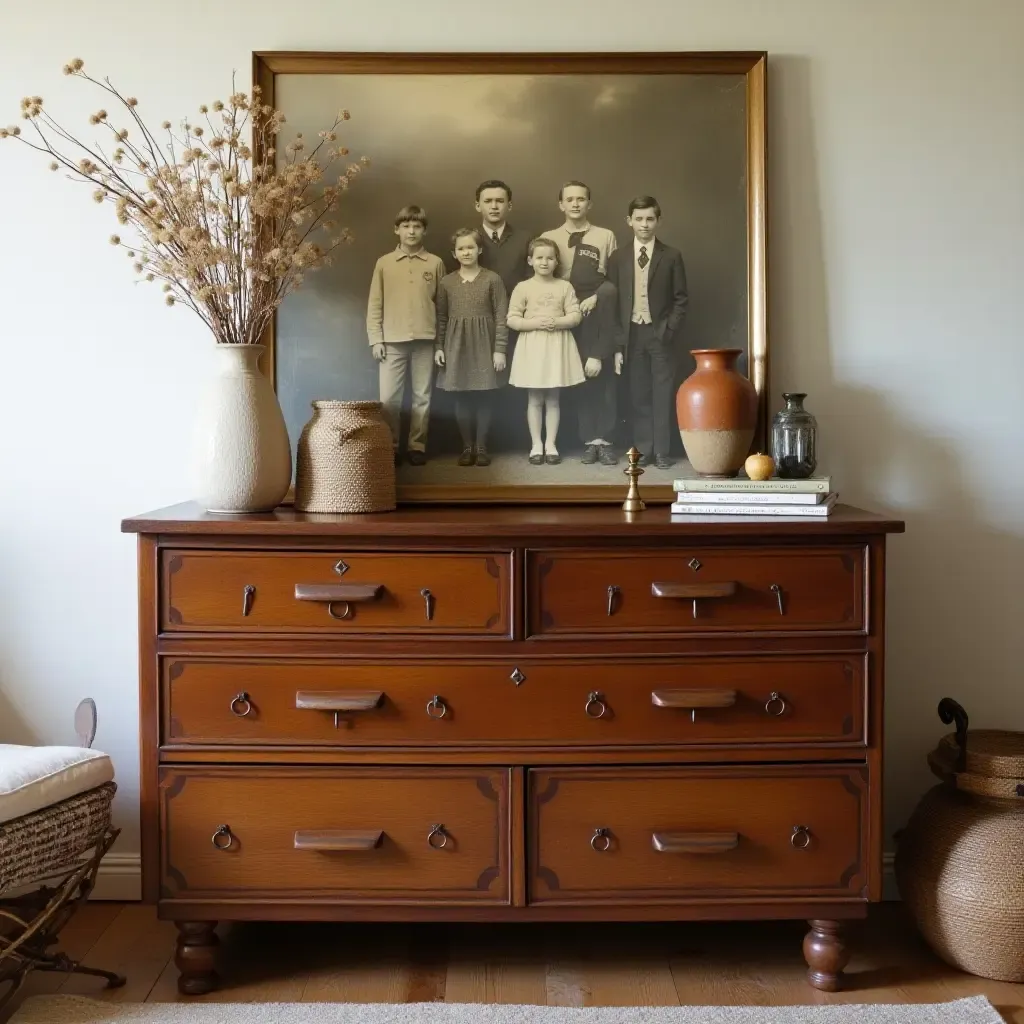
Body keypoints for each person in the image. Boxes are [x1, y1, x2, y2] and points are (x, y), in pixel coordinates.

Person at [541, 181, 621, 464]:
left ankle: (606, 439)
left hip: (597, 307)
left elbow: (614, 278)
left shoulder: (605, 235)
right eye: (569, 199)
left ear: (590, 204)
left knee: (604, 374)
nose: (575, 204)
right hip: (565, 310)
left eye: (581, 199)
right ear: (561, 204)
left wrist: (597, 298)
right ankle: (589, 439)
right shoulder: (549, 236)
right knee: (579, 378)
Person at [607, 195, 688, 470]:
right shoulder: (618, 257)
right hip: (632, 335)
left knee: (662, 393)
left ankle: (663, 451)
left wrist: (668, 329)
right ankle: (644, 449)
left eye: (650, 219)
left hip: (660, 334)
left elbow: (681, 298)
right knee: (639, 394)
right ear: (629, 221)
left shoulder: (671, 255)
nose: (644, 225)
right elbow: (615, 303)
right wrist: (619, 343)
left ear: (659, 221)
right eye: (639, 219)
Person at [365, 204, 446, 466]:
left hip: (425, 339)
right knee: (389, 398)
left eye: (417, 226)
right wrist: (376, 338)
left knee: (423, 395)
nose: (411, 231)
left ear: (424, 230)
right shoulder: (384, 263)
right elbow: (375, 304)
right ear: (396, 230)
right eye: (406, 226)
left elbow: (442, 305)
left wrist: (439, 342)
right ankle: (391, 445)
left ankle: (417, 446)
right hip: (392, 340)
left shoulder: (435, 263)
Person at [434, 228, 509, 467]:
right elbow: (441, 318)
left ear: (480, 250)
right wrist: (439, 347)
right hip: (456, 345)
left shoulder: (492, 279)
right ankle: (467, 447)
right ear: (454, 253)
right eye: (461, 248)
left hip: (484, 344)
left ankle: (482, 446)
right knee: (462, 397)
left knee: (484, 395)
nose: (466, 252)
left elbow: (501, 316)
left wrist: (499, 349)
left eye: (470, 247)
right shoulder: (446, 282)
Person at [507, 238, 584, 465]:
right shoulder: (523, 287)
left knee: (553, 398)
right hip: (533, 346)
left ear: (556, 261)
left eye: (550, 258)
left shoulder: (564, 286)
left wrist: (557, 322)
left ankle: (551, 443)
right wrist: (535, 323)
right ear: (530, 260)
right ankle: (535, 444)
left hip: (556, 346)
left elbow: (575, 315)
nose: (544, 262)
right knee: (534, 398)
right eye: (539, 257)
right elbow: (512, 319)